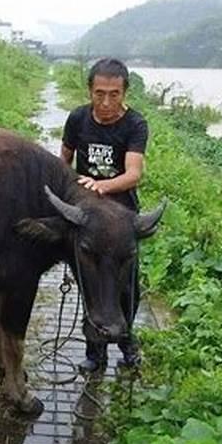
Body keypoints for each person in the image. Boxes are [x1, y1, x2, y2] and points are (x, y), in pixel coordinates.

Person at [60, 58, 148, 373]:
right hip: (90, 221)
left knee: (128, 288)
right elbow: (64, 163)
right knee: (93, 287)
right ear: (89, 91)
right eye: (99, 93)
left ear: (125, 92)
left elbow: (133, 173)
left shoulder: (135, 124)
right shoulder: (78, 119)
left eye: (114, 94)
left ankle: (127, 341)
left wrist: (101, 184)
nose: (106, 102)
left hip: (123, 219)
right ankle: (95, 354)